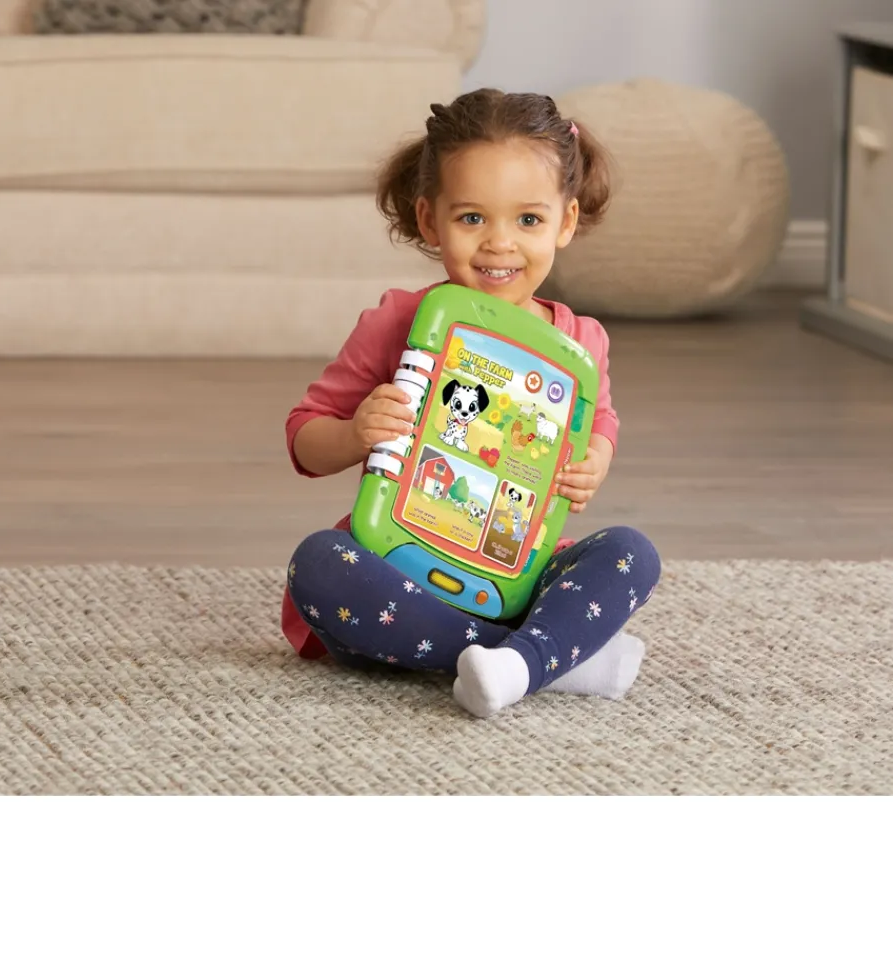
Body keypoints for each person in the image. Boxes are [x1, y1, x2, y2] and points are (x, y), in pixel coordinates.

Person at [282, 89, 661, 718]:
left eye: (529, 220)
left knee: (631, 553)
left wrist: (595, 458)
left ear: (566, 221)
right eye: (472, 218)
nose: (499, 244)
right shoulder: (398, 320)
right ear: (430, 220)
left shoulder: (581, 342)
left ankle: (510, 657)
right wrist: (354, 433)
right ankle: (543, 658)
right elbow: (304, 436)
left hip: (512, 567)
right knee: (319, 567)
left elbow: (599, 420)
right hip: (397, 571)